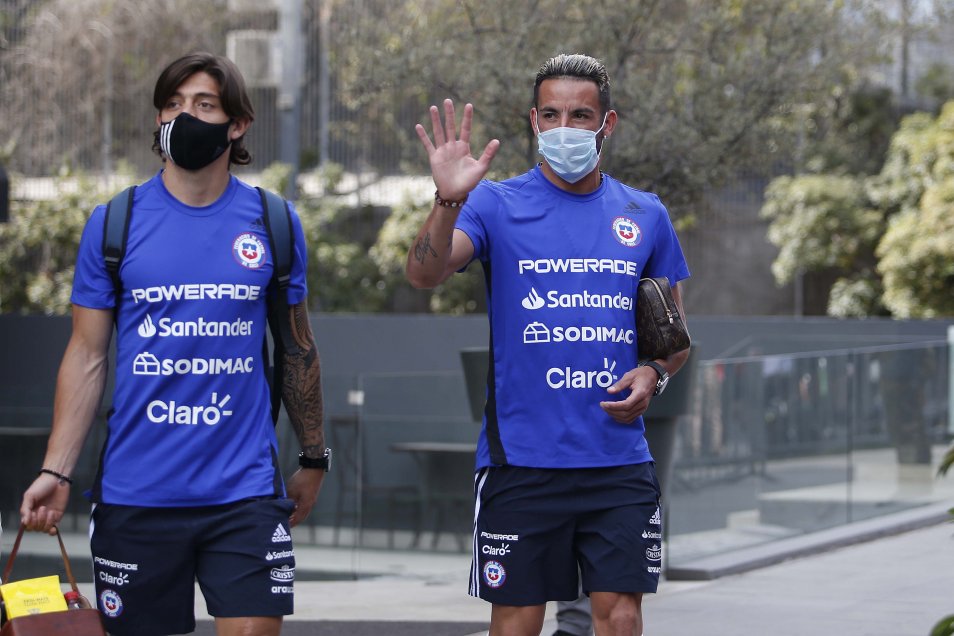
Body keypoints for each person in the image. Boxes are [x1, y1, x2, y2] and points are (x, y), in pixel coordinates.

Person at [18, 52, 329, 636]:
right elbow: (86, 356)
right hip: (137, 494)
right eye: (172, 104)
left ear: (237, 125)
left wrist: (313, 458)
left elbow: (297, 348)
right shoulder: (114, 223)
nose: (184, 116)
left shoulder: (274, 222)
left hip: (245, 494)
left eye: (204, 105)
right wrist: (56, 471)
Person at [406, 53, 691, 636]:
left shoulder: (646, 215)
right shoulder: (494, 204)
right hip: (522, 462)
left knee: (620, 615)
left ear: (606, 125)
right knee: (516, 621)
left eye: (581, 115)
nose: (566, 127)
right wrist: (447, 200)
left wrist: (654, 375)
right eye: (553, 114)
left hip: (617, 461)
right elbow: (424, 274)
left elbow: (674, 341)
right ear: (533, 121)